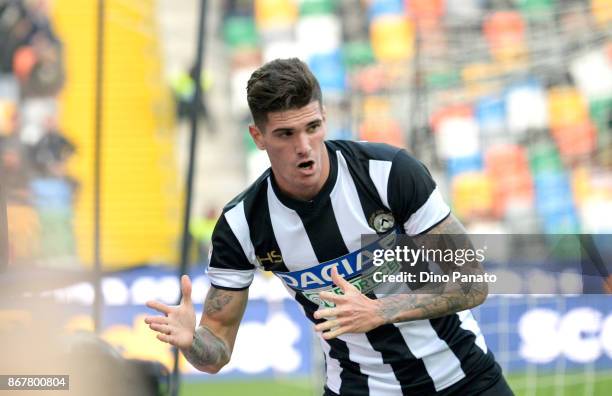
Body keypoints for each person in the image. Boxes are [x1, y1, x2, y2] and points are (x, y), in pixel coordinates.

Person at [144, 58, 514, 395]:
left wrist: (380, 311)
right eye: (286, 134)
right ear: (258, 137)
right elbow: (216, 353)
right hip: (358, 388)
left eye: (312, 127)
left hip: (463, 377)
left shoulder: (388, 173)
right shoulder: (243, 223)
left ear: (324, 118)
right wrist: (193, 341)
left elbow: (472, 281)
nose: (304, 146)